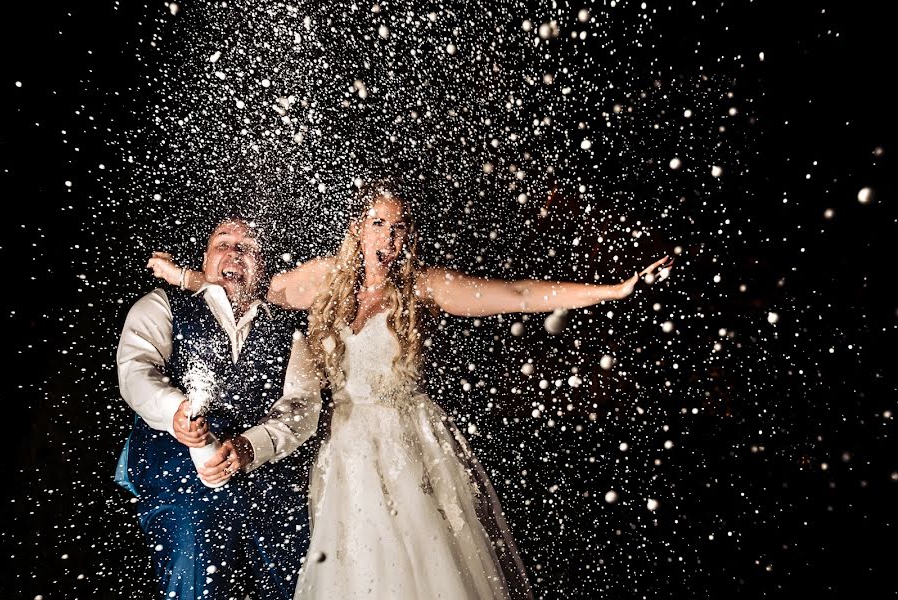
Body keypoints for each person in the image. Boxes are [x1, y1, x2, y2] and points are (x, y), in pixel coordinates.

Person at [154, 182, 673, 599]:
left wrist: (614, 289)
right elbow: (240, 285)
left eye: (399, 227)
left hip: (409, 447)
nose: (389, 237)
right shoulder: (322, 282)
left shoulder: (422, 287)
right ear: (358, 229)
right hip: (344, 452)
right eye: (379, 224)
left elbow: (516, 294)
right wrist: (187, 278)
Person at [116, 216, 324, 600]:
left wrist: (251, 446)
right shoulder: (162, 304)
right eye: (223, 242)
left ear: (263, 266)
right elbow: (136, 370)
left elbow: (302, 407)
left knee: (293, 588)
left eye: (248, 247)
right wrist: (175, 410)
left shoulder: (290, 331)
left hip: (269, 493)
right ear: (206, 258)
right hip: (181, 488)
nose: (234, 252)